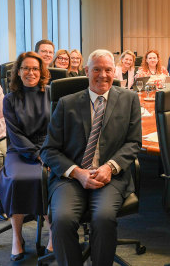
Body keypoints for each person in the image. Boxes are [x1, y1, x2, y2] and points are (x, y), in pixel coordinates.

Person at [40, 49, 142, 266]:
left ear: (115, 72)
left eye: (108, 70)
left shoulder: (130, 99)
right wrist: (77, 173)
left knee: (104, 219)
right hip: (70, 178)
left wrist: (110, 167)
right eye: (97, 69)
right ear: (87, 71)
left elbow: (133, 143)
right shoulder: (67, 103)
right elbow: (49, 149)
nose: (103, 75)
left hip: (110, 177)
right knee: (62, 220)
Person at [0, 52, 52, 261]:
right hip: (20, 150)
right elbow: (14, 134)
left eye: (35, 69)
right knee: (17, 180)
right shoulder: (9, 99)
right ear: (18, 72)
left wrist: (46, 152)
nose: (31, 72)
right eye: (26, 68)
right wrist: (35, 154)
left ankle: (53, 232)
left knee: (47, 179)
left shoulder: (51, 93)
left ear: (42, 72)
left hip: (48, 147)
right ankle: (17, 236)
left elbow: (56, 128)